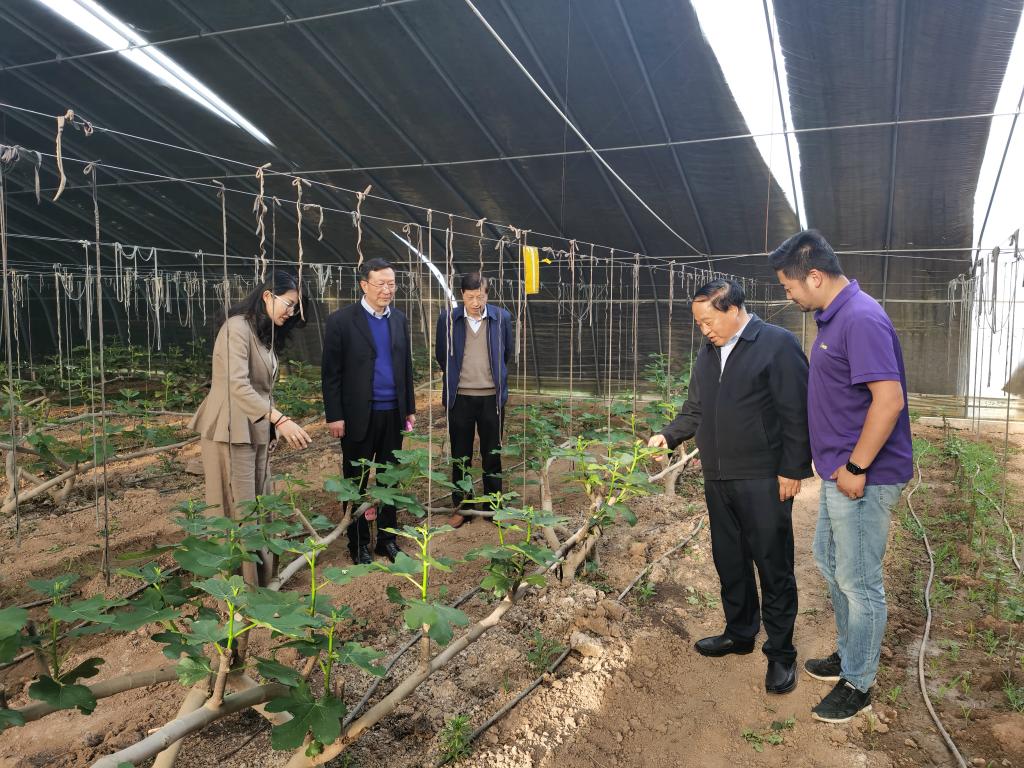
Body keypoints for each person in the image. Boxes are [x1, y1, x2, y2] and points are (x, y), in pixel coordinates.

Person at [770, 230, 913, 723]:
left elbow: (888, 401)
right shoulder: (835, 317)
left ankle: (859, 682)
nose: (788, 295)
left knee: (859, 580)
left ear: (814, 276)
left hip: (863, 477)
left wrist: (856, 466)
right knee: (830, 561)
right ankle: (850, 653)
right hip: (841, 474)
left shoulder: (861, 318)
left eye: (789, 286)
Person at [648, 278, 812, 695]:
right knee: (730, 560)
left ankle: (781, 652)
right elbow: (695, 409)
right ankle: (740, 633)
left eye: (708, 321)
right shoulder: (709, 352)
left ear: (733, 309)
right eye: (699, 324)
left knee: (772, 564)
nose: (704, 330)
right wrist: (669, 435)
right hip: (718, 476)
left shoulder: (776, 344)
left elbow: (796, 411)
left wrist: (793, 468)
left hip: (763, 476)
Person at [190, 269, 313, 586]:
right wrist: (280, 420)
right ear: (268, 296)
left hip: (253, 426)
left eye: (295, 308)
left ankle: (259, 579)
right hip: (231, 428)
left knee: (258, 499)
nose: (290, 313)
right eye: (288, 304)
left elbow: (261, 389)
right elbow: (238, 385)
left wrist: (271, 425)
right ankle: (235, 588)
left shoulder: (262, 332)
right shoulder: (236, 328)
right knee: (237, 505)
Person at [321, 258, 416, 565]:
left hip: (393, 412)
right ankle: (358, 542)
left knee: (390, 478)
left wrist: (409, 408)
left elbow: (405, 367)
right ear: (364, 285)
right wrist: (335, 415)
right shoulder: (341, 321)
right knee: (356, 481)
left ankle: (387, 540)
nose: (387, 290)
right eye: (381, 284)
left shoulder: (399, 319)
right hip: (358, 416)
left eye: (392, 284)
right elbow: (331, 374)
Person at [435, 273, 513, 526]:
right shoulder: (448, 319)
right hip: (460, 398)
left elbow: (507, 353)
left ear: (487, 294)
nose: (476, 303)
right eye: (470, 297)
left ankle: (493, 506)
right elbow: (441, 355)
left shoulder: (501, 318)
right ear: (462, 295)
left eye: (480, 297)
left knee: (492, 454)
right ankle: (463, 507)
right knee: (461, 455)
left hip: (491, 398)